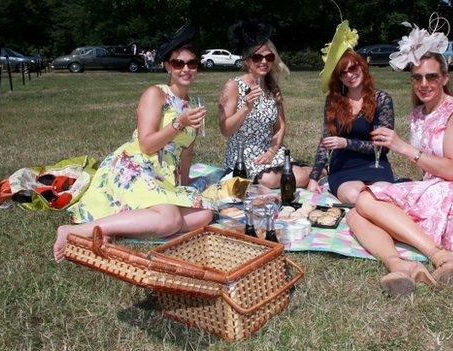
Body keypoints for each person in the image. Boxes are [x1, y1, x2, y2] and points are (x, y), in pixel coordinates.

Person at [347, 18, 453, 297]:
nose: (423, 84)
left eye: (431, 76)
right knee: (356, 213)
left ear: (445, 78)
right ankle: (399, 264)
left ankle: (437, 255)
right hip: (436, 186)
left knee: (366, 199)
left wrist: (402, 147)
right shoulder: (418, 114)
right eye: (417, 77)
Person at [54, 25, 212, 261]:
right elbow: (146, 144)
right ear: (168, 66)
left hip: (163, 174)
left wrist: (186, 183)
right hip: (136, 166)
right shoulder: (156, 94)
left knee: (205, 214)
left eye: (192, 63)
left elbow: (187, 148)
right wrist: (178, 123)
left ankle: (115, 229)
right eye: (178, 63)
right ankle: (72, 232)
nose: (186, 69)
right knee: (170, 218)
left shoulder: (193, 103)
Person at [307, 21, 395, 204]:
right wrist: (314, 177)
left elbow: (383, 147)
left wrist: (346, 142)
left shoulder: (382, 99)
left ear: (362, 66)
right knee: (357, 197)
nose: (349, 75)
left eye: (353, 68)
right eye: (342, 72)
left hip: (375, 164)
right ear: (338, 78)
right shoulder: (333, 101)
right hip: (344, 168)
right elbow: (326, 141)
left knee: (381, 197)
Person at [218, 20, 310, 188]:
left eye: (269, 57)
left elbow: (280, 126)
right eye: (257, 57)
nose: (264, 61)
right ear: (246, 60)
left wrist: (271, 152)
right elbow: (225, 129)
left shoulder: (272, 88)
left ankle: (315, 171)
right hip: (242, 156)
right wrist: (246, 107)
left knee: (297, 179)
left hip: (269, 153)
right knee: (270, 180)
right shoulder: (233, 86)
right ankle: (308, 172)